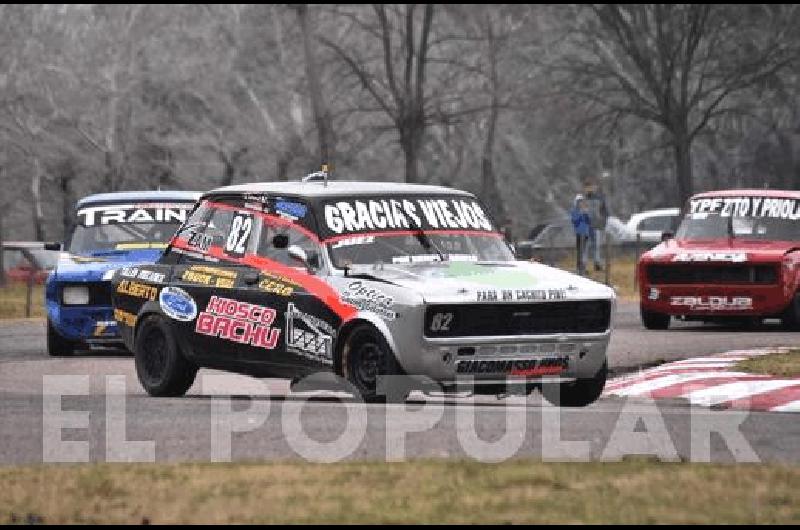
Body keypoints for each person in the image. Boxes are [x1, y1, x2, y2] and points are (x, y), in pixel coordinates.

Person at [583, 178, 609, 271]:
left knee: (596, 245)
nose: (590, 189)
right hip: (584, 225)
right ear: (585, 188)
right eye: (588, 187)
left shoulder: (600, 198)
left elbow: (605, 211)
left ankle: (597, 263)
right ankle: (583, 265)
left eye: (592, 186)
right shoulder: (582, 198)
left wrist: (603, 221)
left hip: (596, 225)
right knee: (584, 246)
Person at [570, 194, 591, 275]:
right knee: (580, 251)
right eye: (579, 202)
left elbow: (589, 221)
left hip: (585, 233)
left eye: (582, 201)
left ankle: (583, 266)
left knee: (584, 251)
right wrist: (581, 214)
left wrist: (586, 214)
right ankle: (579, 266)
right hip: (579, 233)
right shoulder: (574, 211)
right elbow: (575, 222)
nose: (581, 203)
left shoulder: (585, 211)